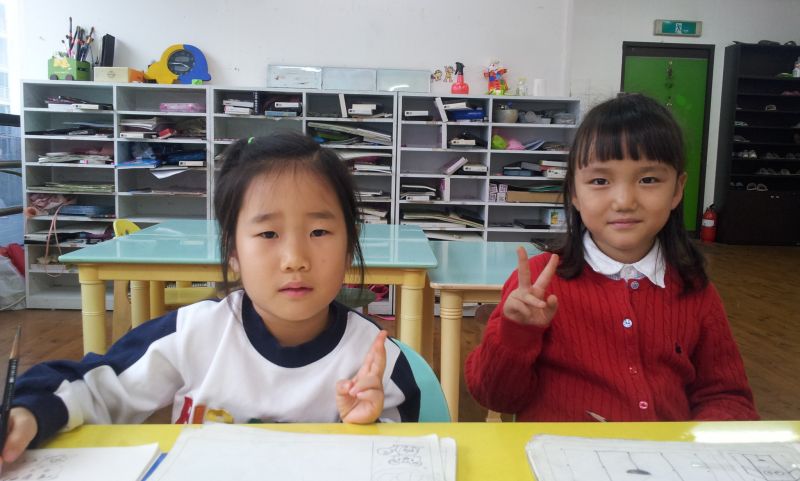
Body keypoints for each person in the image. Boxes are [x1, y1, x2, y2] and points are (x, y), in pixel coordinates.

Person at [1, 133, 422, 467]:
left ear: (349, 248)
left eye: (319, 232)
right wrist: (29, 412)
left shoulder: (374, 360)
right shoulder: (192, 335)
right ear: (234, 252)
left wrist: (366, 427)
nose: (295, 259)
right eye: (268, 234)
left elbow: (403, 458)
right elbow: (92, 387)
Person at [465, 94, 759, 422]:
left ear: (677, 190)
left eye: (648, 180)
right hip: (560, 451)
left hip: (664, 454)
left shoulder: (694, 288)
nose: (624, 201)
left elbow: (726, 397)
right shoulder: (538, 284)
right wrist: (517, 333)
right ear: (574, 193)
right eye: (600, 181)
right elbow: (496, 396)